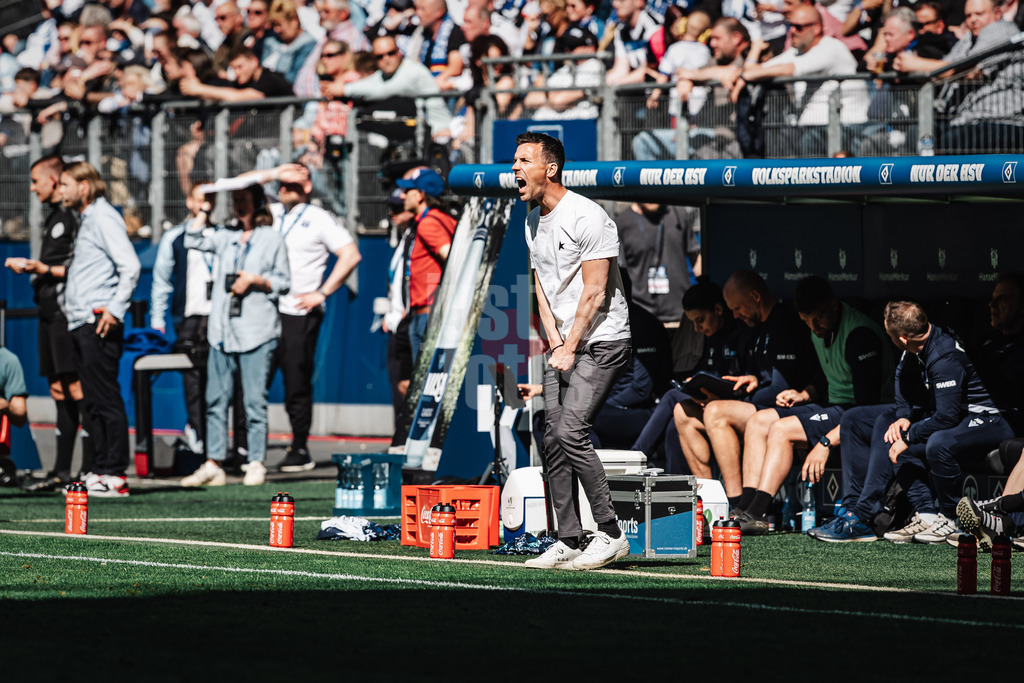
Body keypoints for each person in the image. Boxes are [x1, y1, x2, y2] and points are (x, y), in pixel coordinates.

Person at [513, 131, 632, 571]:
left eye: (525, 160)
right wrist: (556, 343)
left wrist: (572, 345)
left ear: (551, 167)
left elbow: (596, 292)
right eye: (514, 160)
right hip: (565, 344)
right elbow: (541, 289)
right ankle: (568, 538)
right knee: (552, 440)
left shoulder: (588, 216)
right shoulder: (530, 222)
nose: (515, 168)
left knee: (570, 432)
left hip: (603, 340)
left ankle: (612, 533)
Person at [731, 276, 894, 535]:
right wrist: (804, 394)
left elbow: (864, 412)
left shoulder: (859, 335)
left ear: (833, 304)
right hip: (834, 406)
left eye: (817, 319)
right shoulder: (820, 327)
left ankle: (757, 513)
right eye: (806, 321)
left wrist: (824, 443)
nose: (813, 327)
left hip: (861, 413)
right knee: (758, 421)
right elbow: (824, 372)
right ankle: (743, 508)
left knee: (781, 430)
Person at [234, 163, 361, 471]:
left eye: (292, 184)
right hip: (263, 308)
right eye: (282, 184)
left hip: (298, 310)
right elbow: (236, 185)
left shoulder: (318, 217)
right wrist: (276, 172)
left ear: (307, 186)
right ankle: (244, 447)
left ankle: (300, 447)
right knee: (250, 379)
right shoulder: (272, 212)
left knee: (296, 380)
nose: (284, 189)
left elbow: (350, 254)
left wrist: (322, 292)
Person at [180, 182, 291, 487]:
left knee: (254, 400)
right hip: (221, 331)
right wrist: (205, 209)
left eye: (244, 200)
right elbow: (191, 238)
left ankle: (255, 461)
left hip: (257, 330)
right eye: (236, 200)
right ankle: (214, 462)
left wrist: (256, 281)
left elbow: (284, 282)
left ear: (257, 203)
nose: (239, 205)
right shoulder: (225, 236)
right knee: (215, 399)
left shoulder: (272, 239)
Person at [879, 301, 1014, 544]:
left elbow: (946, 417)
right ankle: (928, 516)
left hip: (992, 418)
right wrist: (903, 418)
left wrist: (909, 437)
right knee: (896, 441)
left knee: (937, 443)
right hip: (965, 418)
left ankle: (952, 520)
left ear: (902, 338)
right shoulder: (917, 346)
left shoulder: (943, 355)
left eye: (889, 335)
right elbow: (901, 376)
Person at [701, 270, 818, 508]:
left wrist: (738, 396)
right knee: (684, 412)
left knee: (716, 411)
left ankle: (736, 504)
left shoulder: (784, 321)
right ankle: (718, 501)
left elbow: (781, 387)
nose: (734, 315)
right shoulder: (753, 326)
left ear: (755, 296)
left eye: (737, 308)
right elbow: (759, 375)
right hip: (762, 405)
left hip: (792, 407)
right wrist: (750, 379)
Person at [59, 160, 141, 497]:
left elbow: (131, 266)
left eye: (65, 184)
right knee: (92, 399)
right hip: (82, 320)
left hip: (98, 321)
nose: (60, 191)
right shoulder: (88, 218)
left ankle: (115, 474)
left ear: (84, 186)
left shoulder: (104, 216)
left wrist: (114, 309)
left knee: (105, 397)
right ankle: (100, 468)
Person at [5, 155, 86, 492]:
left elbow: (82, 268)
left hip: (66, 312)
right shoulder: (53, 217)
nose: (32, 186)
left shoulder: (73, 219)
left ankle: (93, 468)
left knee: (76, 387)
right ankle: (61, 471)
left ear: (54, 181)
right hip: (47, 310)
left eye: (36, 179)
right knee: (56, 388)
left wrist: (42, 269)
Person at [631, 279, 752, 474]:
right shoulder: (712, 337)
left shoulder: (742, 332)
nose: (697, 329)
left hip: (739, 404)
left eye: (700, 320)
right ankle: (679, 491)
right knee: (675, 422)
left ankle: (635, 458)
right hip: (714, 402)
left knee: (671, 397)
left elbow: (746, 380)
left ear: (719, 310)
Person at [736, 4, 868, 156]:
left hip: (845, 128)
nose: (792, 31)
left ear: (816, 28)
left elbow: (789, 69)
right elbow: (753, 71)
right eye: (790, 25)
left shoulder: (831, 47)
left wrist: (746, 76)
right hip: (813, 130)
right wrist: (755, 50)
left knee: (804, 143)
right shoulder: (796, 52)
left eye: (799, 27)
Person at [150, 183, 218, 457]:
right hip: (189, 318)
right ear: (190, 202)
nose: (207, 205)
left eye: (211, 199)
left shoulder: (222, 234)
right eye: (202, 199)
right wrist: (158, 318)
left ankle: (220, 440)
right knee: (192, 379)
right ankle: (197, 433)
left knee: (219, 380)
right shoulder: (175, 237)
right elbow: (162, 280)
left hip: (217, 318)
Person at [326, 34, 452, 139]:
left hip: (440, 131)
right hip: (420, 136)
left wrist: (345, 90)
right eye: (380, 56)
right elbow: (371, 82)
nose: (386, 59)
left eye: (390, 53)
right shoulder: (386, 73)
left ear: (399, 52)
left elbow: (382, 89)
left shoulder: (412, 71)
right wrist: (340, 86)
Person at [396, 167, 456, 361]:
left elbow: (450, 256)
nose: (402, 195)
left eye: (408, 191)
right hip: (430, 312)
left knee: (423, 383)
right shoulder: (445, 219)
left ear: (421, 195)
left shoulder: (428, 223)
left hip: (428, 315)